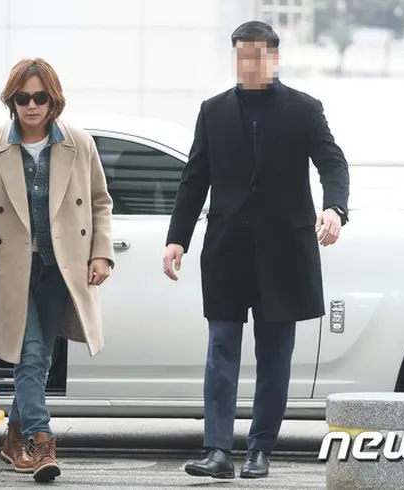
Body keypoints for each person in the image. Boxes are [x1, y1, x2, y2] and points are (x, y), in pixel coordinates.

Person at [163, 21, 350, 479]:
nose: (249, 64)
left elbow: (332, 163)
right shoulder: (213, 111)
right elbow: (194, 179)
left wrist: (335, 209)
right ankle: (217, 451)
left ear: (274, 58)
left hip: (285, 252)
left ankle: (260, 449)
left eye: (258, 55)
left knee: (275, 355)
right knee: (221, 348)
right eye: (242, 55)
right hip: (227, 250)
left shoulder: (304, 109)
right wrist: (177, 238)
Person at [0, 58, 114, 483]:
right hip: (9, 271)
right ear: (11, 101)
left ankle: (13, 438)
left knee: (39, 359)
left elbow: (100, 202)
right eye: (23, 98)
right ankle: (41, 440)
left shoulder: (78, 143)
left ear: (53, 100)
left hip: (59, 268)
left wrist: (101, 253)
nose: (31, 106)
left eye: (40, 97)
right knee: (29, 354)